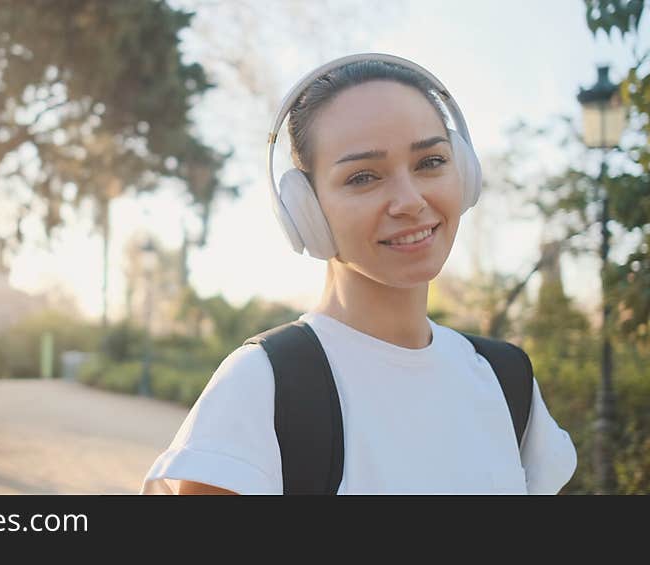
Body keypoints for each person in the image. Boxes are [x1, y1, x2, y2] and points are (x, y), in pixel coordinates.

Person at [140, 54, 578, 495]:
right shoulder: (262, 386)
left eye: (430, 162)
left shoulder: (504, 378)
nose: (409, 200)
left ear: (464, 172)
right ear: (305, 209)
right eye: (364, 176)